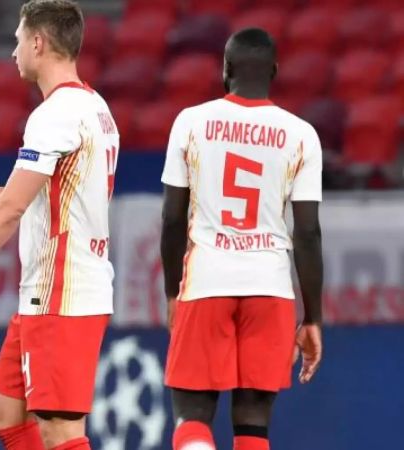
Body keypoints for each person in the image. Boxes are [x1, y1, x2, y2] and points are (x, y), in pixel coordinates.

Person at [0, 2, 119, 449]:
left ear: (38, 42)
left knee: (60, 428)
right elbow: (55, 197)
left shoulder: (54, 116)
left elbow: (13, 209)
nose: (13, 51)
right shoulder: (94, 107)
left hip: (62, 293)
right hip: (49, 289)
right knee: (6, 409)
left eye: (17, 40)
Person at [159, 28, 323, 450]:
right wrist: (313, 318)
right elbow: (307, 232)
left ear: (225, 69)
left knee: (192, 415)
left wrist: (171, 292)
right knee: (253, 425)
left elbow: (172, 218)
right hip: (269, 287)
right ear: (275, 71)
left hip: (207, 280)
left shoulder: (190, 122)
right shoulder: (302, 134)